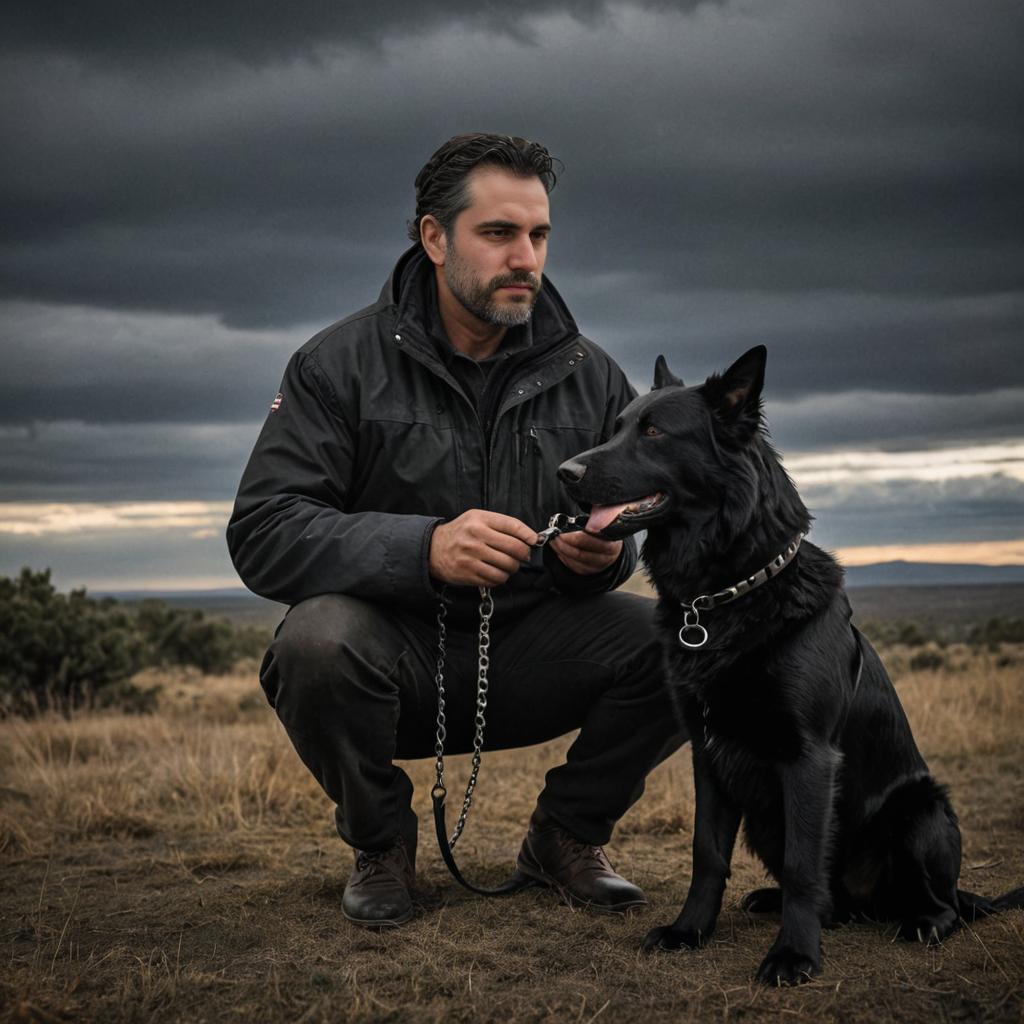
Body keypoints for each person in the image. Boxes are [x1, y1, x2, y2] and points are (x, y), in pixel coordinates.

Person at [227, 133, 685, 928]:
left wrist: (602, 556)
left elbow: (620, 525)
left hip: (531, 648)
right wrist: (425, 548)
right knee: (314, 640)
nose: (526, 258)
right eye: (499, 234)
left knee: (689, 641)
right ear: (434, 238)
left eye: (538, 235)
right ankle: (382, 845)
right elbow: (265, 529)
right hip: (390, 659)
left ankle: (566, 838)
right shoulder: (335, 365)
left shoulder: (594, 376)